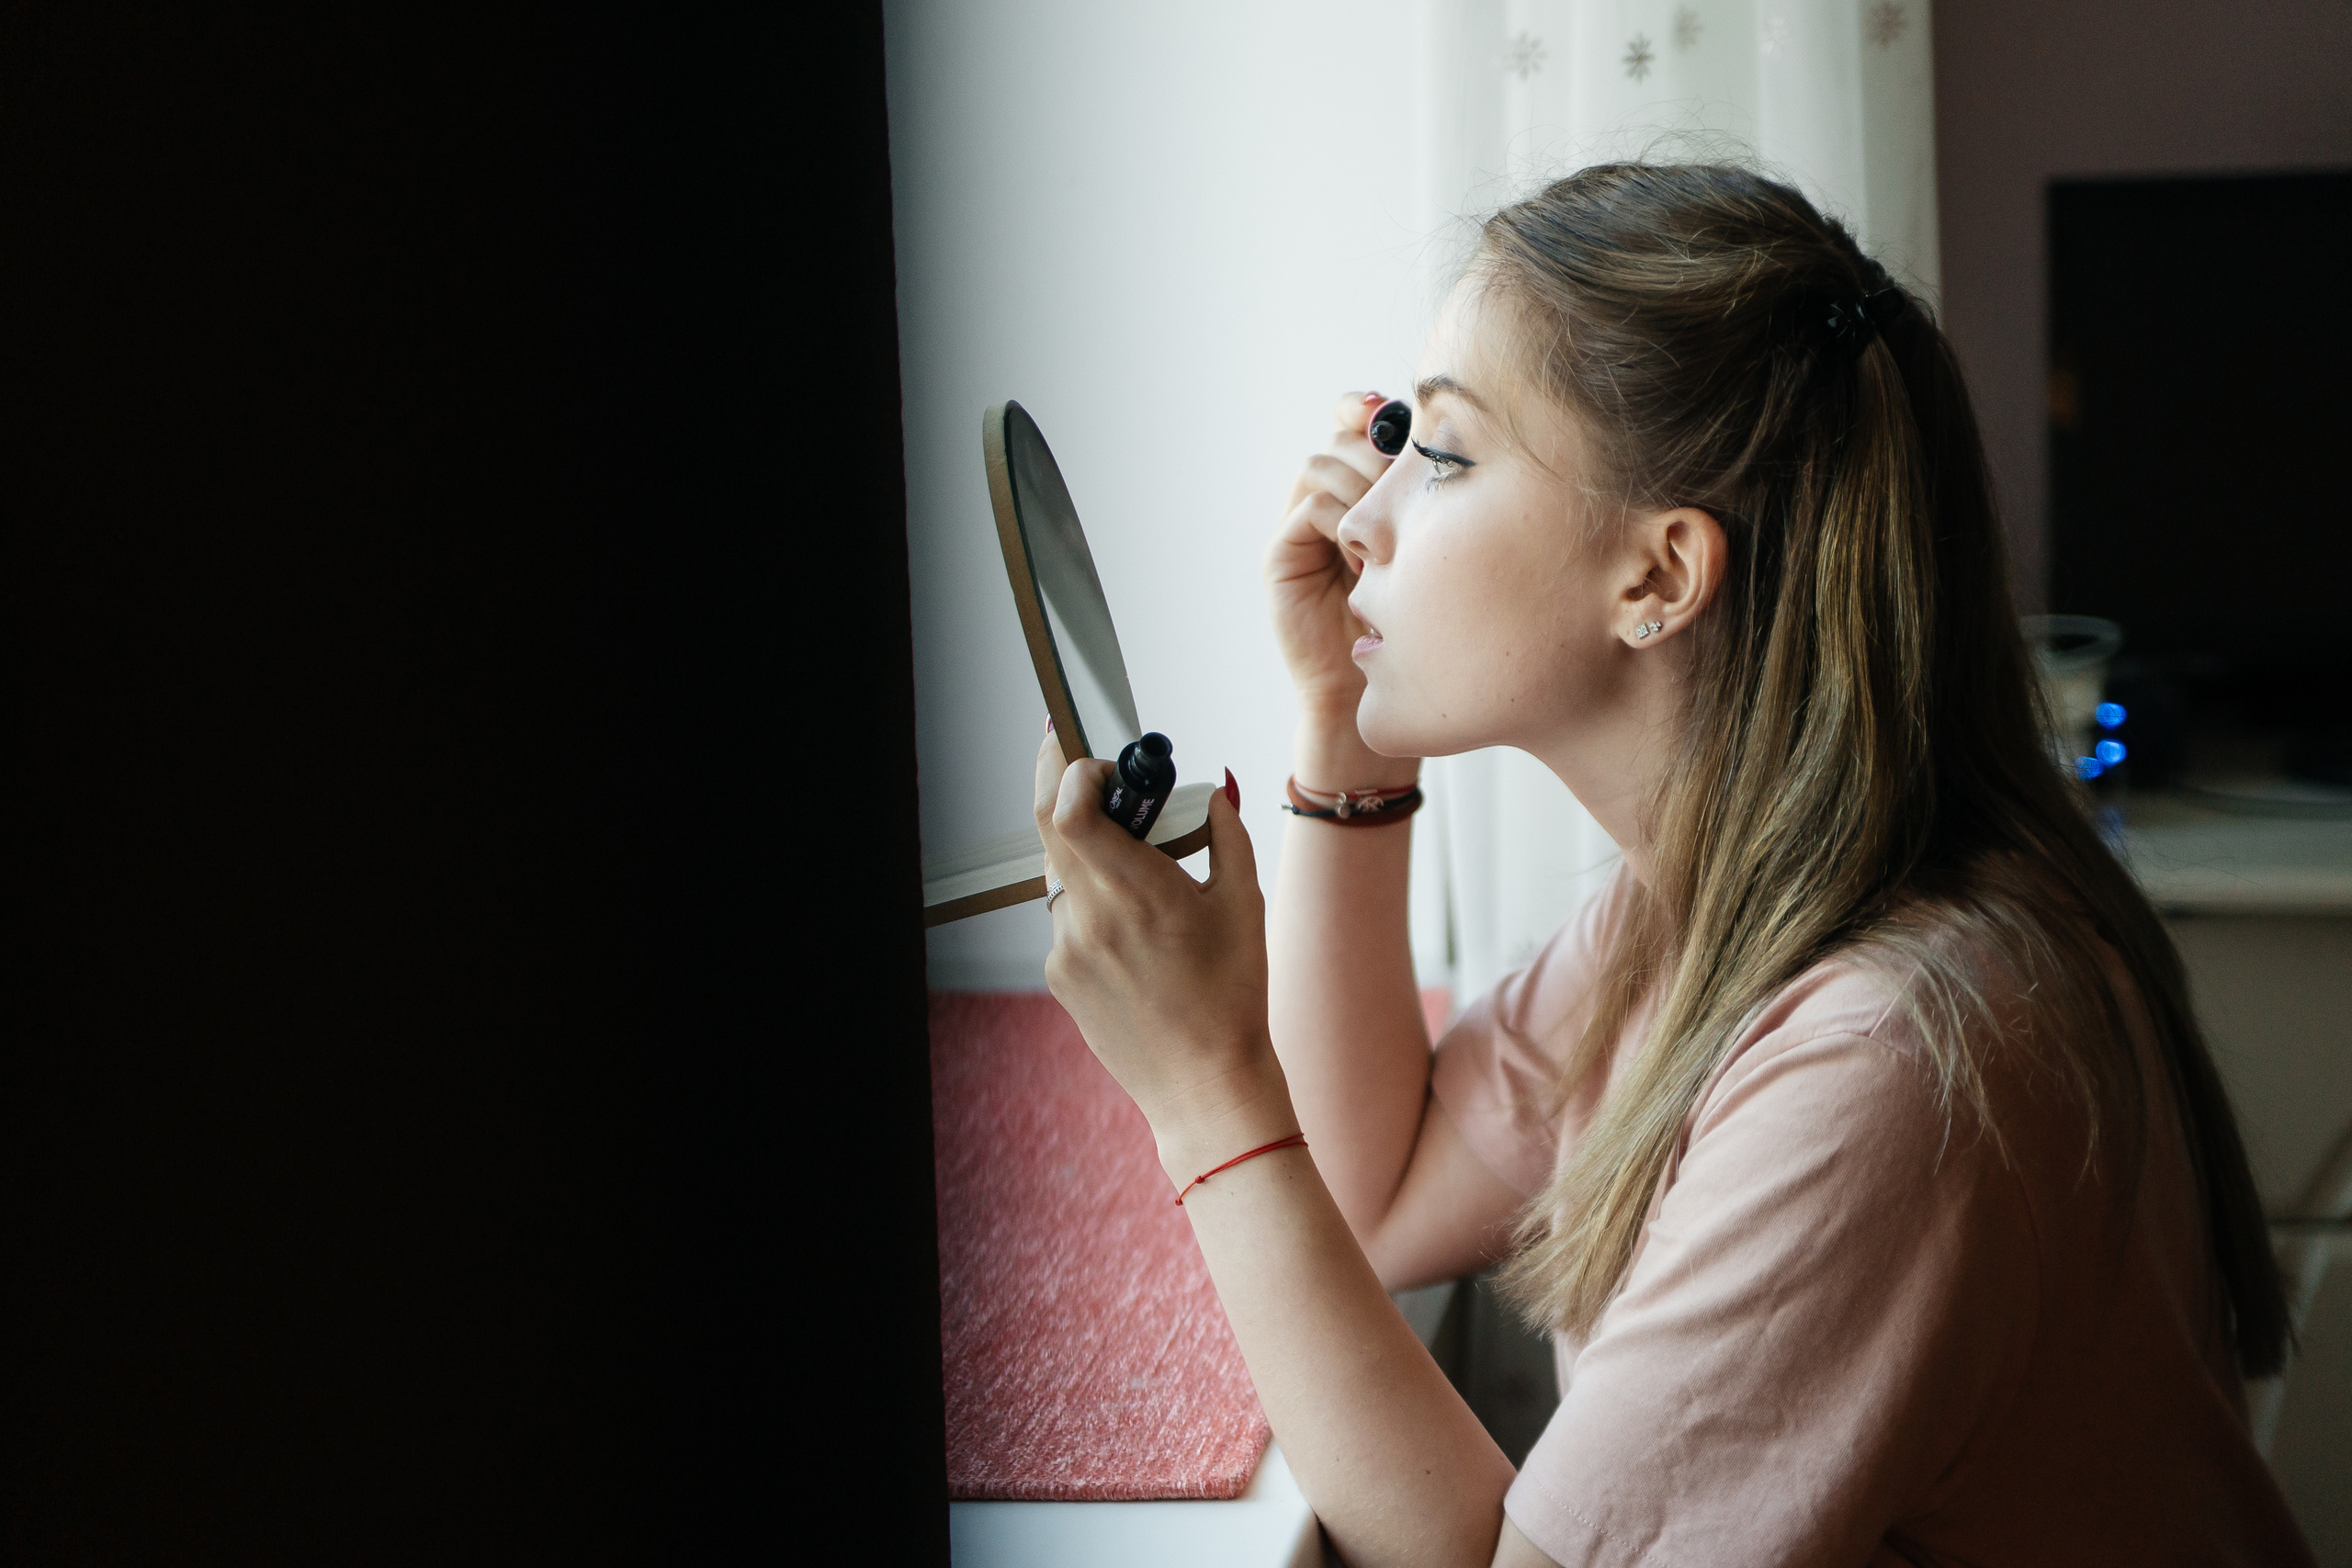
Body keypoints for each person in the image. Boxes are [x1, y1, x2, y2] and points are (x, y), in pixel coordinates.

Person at [1028, 164, 2312, 1567]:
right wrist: (1345, 724)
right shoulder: (1715, 907)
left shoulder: (1887, 1062)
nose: (1357, 519)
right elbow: (1370, 1201)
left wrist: (1207, 1090)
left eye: (1440, 455)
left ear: (1658, 577)